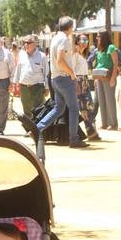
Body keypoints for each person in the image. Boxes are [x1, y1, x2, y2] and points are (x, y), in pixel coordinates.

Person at [31, 16, 87, 149]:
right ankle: (74, 139)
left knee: (59, 108)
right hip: (64, 77)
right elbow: (60, 60)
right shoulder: (64, 39)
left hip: (55, 78)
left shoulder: (56, 38)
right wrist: (72, 73)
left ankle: (37, 128)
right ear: (70, 27)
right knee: (73, 108)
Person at [13, 35, 48, 118]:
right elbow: (18, 70)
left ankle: (39, 130)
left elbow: (47, 73)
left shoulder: (42, 56)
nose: (26, 44)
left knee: (39, 111)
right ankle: (29, 130)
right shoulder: (21, 55)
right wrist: (15, 84)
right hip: (24, 87)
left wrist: (47, 88)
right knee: (26, 111)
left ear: (35, 44)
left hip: (37, 88)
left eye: (28, 42)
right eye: (24, 43)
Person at [73, 34, 100, 141]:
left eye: (86, 40)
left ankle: (91, 131)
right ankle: (91, 132)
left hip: (85, 81)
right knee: (83, 108)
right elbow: (73, 69)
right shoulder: (75, 54)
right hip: (78, 81)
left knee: (89, 106)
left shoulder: (83, 55)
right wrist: (75, 83)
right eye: (82, 40)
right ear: (77, 41)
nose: (85, 42)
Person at [93, 30, 120, 130]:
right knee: (101, 100)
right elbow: (97, 63)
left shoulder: (111, 47)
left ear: (103, 37)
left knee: (110, 100)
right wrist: (96, 78)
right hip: (99, 77)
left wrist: (113, 77)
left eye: (98, 36)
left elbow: (115, 63)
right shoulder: (98, 49)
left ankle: (114, 124)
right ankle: (104, 123)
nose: (97, 38)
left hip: (109, 77)